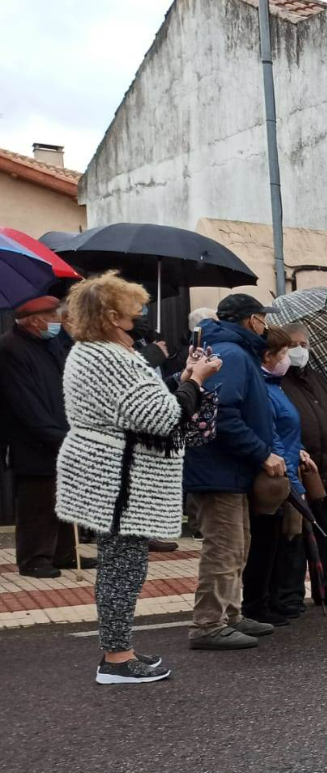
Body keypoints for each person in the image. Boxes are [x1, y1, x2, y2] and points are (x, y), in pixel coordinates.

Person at [55, 273, 221, 683]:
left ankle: (119, 649)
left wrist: (182, 382)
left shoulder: (91, 353)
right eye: (131, 309)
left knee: (121, 564)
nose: (138, 315)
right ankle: (116, 658)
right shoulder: (111, 357)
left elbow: (143, 405)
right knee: (123, 567)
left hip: (109, 472)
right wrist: (196, 382)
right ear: (111, 315)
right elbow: (161, 416)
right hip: (120, 477)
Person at [184, 293, 282, 650]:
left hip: (229, 470)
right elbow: (222, 415)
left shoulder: (231, 350)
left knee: (237, 547)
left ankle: (231, 614)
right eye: (261, 318)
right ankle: (208, 624)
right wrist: (262, 454)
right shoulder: (233, 354)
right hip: (219, 469)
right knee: (223, 549)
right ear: (250, 320)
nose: (264, 324)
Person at [0, 294, 98, 577]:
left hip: (64, 430)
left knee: (66, 497)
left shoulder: (51, 343)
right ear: (35, 320)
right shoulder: (10, 348)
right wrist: (55, 436)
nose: (58, 321)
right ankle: (34, 558)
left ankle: (65, 554)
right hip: (33, 441)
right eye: (54, 317)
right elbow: (24, 403)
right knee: (38, 501)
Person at [277, 323, 327, 607]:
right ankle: (292, 592)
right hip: (301, 464)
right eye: (293, 345)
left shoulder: (320, 376)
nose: (300, 350)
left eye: (304, 345)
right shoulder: (278, 380)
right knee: (297, 532)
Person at [242, 327, 311, 627]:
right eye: (283, 353)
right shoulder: (265, 389)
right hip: (276, 479)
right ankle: (259, 604)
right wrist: (295, 487)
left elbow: (288, 433)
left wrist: (302, 452)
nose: (288, 358)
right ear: (268, 357)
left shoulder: (276, 384)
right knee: (266, 544)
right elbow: (274, 438)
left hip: (287, 471)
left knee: (278, 543)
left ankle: (273, 600)